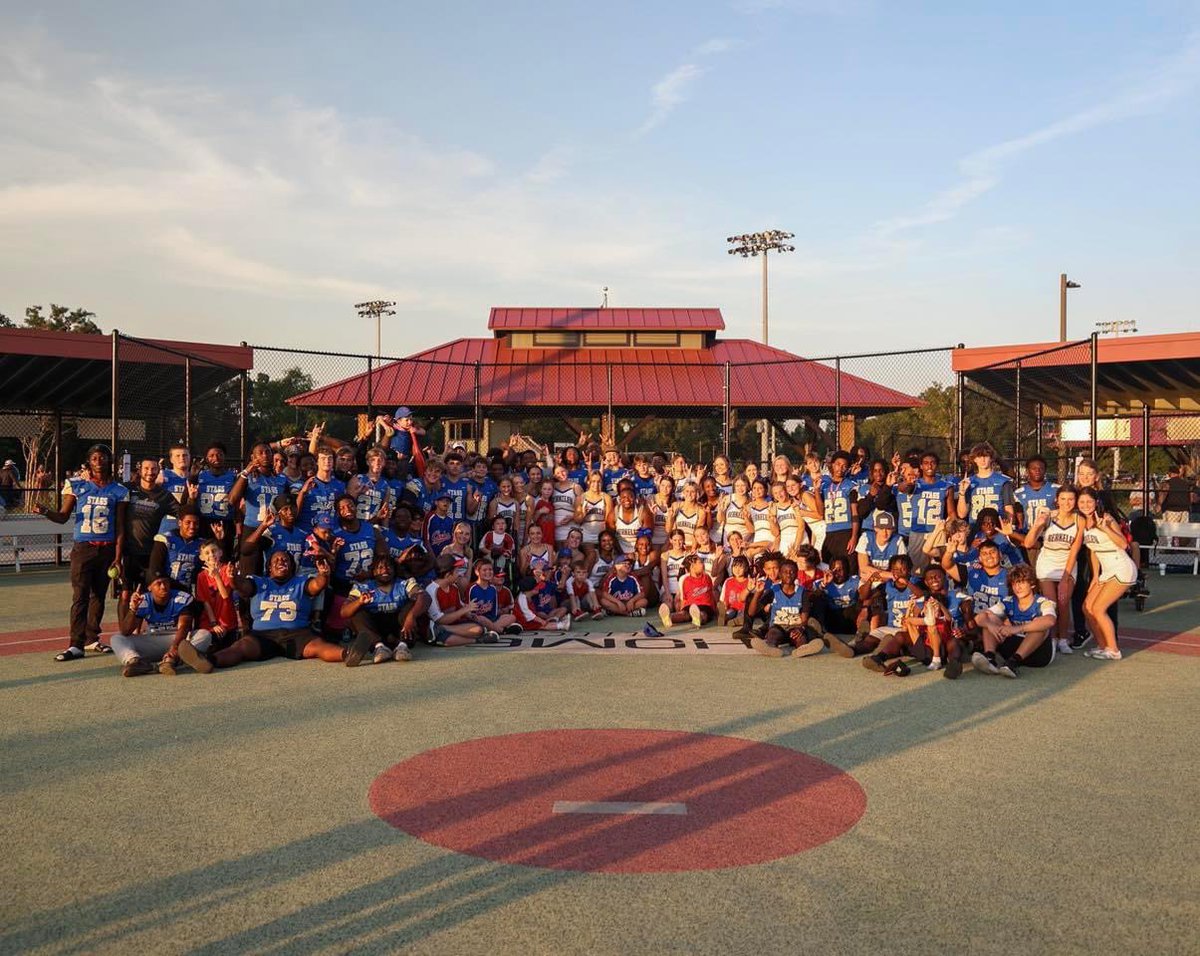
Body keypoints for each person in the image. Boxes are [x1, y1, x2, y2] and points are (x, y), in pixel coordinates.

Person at [36, 444, 129, 661]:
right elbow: (62, 517)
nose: (99, 461)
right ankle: (75, 644)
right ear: (89, 462)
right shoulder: (78, 485)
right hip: (83, 548)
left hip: (107, 549)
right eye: (94, 458)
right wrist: (45, 511)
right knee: (80, 596)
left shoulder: (119, 490)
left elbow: (120, 527)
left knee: (99, 595)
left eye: (103, 457)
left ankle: (92, 638)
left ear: (109, 460)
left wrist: (118, 557)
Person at [210, 551, 334, 667]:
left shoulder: (301, 582)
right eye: (276, 560)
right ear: (269, 567)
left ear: (291, 566)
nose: (281, 561)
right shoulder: (259, 582)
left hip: (297, 633)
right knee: (240, 647)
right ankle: (209, 661)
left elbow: (317, 585)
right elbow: (242, 586)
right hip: (262, 635)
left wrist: (323, 575)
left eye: (285, 560)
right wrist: (233, 578)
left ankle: (345, 655)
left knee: (320, 646)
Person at [1020, 486, 1084, 656]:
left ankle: (1063, 639)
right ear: (1057, 500)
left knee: (1064, 602)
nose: (1066, 503)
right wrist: (1037, 525)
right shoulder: (1048, 516)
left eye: (1070, 499)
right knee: (1051, 604)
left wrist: (1065, 577)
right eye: (1063, 499)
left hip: (1067, 563)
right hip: (1047, 563)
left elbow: (1075, 550)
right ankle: (1052, 638)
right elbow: (1028, 543)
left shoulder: (1079, 520)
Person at [111, 574, 211, 677]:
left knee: (204, 635)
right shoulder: (143, 600)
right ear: (150, 587)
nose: (163, 586)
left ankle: (171, 660)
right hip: (153, 641)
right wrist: (133, 609)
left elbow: (184, 627)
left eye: (165, 582)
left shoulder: (181, 598)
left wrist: (175, 648)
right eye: (158, 583)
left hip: (178, 640)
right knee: (117, 638)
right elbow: (125, 631)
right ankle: (136, 662)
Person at [1078, 487, 1136, 661]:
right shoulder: (1083, 521)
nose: (1086, 505)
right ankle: (1102, 646)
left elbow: (1123, 544)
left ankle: (1114, 650)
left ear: (1096, 502)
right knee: (1087, 608)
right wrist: (1095, 576)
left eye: (1089, 501)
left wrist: (1106, 529)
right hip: (1106, 570)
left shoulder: (1107, 518)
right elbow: (1093, 551)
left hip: (1121, 567)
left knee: (1098, 609)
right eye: (1082, 502)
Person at [341, 554, 429, 665]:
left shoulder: (405, 583)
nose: (385, 570)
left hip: (400, 627)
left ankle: (402, 647)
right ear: (374, 572)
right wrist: (359, 602)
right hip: (376, 629)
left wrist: (412, 616)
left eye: (389, 567)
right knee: (355, 612)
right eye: (380, 567)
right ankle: (379, 648)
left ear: (394, 570)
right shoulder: (362, 587)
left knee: (415, 603)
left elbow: (425, 597)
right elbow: (344, 612)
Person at [972, 564, 1057, 678]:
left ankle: (1014, 663)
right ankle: (990, 658)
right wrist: (990, 625)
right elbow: (979, 618)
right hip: (1013, 648)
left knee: (1039, 624)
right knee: (990, 618)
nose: (1018, 587)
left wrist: (1016, 629)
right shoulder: (1008, 601)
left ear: (1032, 584)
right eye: (1014, 583)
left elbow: (1050, 621)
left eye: (1021, 582)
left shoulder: (1043, 602)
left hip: (1040, 654)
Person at [121, 456, 177, 614]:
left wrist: (191, 498)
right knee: (125, 594)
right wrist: (86, 476)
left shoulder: (164, 495)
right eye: (146, 468)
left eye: (153, 469)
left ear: (158, 471)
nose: (150, 472)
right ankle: (124, 627)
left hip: (151, 553)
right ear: (140, 471)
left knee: (146, 595)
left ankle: (143, 627)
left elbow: (183, 514)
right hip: (129, 552)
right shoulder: (127, 489)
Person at [746, 557, 824, 658]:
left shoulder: (802, 592)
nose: (788, 574)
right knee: (773, 634)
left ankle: (802, 649)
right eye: (785, 572)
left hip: (795, 627)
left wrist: (800, 628)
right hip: (778, 627)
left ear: (796, 574)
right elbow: (751, 613)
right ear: (780, 574)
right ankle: (771, 648)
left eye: (792, 572)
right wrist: (758, 593)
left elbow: (804, 617)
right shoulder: (773, 590)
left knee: (801, 638)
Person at [860, 555, 919, 675]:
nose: (899, 572)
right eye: (896, 569)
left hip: (910, 630)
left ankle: (878, 657)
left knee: (896, 639)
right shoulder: (888, 585)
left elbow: (923, 595)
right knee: (872, 637)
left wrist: (907, 583)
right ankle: (853, 649)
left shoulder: (917, 582)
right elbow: (864, 596)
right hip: (891, 626)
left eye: (903, 569)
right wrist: (870, 580)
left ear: (909, 570)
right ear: (891, 571)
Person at [425, 554, 494, 645]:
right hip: (435, 626)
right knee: (447, 639)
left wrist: (472, 615)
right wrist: (465, 609)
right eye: (456, 571)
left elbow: (460, 606)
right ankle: (477, 640)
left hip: (451, 626)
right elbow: (439, 620)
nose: (459, 574)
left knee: (479, 629)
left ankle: (443, 629)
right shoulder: (432, 589)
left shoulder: (454, 587)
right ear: (448, 575)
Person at [956, 442, 1014, 525]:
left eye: (986, 456)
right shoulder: (969, 482)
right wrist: (962, 494)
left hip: (996, 527)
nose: (982, 460)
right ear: (974, 459)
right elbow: (962, 514)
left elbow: (1008, 509)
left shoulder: (1003, 481)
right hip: (975, 527)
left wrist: (1008, 528)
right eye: (979, 457)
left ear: (991, 458)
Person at [820, 451, 860, 562]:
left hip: (846, 531)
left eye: (844, 466)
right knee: (828, 564)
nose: (840, 468)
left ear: (847, 468)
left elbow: (855, 513)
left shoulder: (850, 486)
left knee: (849, 565)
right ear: (832, 464)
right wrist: (817, 491)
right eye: (838, 464)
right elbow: (820, 511)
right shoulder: (824, 485)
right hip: (829, 531)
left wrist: (854, 536)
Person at [659, 554, 717, 630]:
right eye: (700, 563)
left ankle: (698, 618)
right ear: (692, 567)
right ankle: (669, 617)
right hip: (690, 606)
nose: (703, 565)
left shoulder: (706, 577)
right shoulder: (685, 580)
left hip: (704, 605)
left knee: (703, 614)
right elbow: (683, 599)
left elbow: (712, 594)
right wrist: (682, 609)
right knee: (683, 614)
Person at [468, 558, 520, 634]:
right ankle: (502, 630)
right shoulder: (471, 588)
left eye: (490, 570)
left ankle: (490, 629)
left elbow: (494, 612)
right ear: (477, 572)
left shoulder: (493, 588)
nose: (488, 572)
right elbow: (467, 610)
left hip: (492, 619)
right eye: (484, 570)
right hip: (477, 619)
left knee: (512, 617)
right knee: (481, 618)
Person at [515, 562, 573, 631]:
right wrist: (541, 620)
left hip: (539, 615)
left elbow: (560, 588)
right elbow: (528, 614)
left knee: (562, 610)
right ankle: (561, 625)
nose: (548, 572)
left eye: (549, 570)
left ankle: (556, 620)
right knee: (542, 625)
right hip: (527, 619)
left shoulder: (546, 584)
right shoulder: (523, 596)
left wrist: (564, 575)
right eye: (545, 571)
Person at [574, 471, 612, 558]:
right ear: (588, 482)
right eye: (593, 481)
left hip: (601, 535)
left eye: (599, 481)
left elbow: (608, 521)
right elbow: (577, 520)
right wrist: (583, 514)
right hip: (586, 535)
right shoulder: (581, 498)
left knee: (602, 558)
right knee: (592, 555)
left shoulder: (606, 497)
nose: (596, 484)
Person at [610, 481, 651, 556]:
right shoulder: (614, 513)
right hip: (619, 551)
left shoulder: (643, 513)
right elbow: (611, 537)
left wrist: (636, 553)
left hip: (639, 551)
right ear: (619, 499)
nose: (627, 500)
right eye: (624, 497)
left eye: (630, 497)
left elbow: (647, 537)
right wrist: (623, 554)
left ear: (635, 498)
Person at [716, 555, 751, 629]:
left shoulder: (749, 582)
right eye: (735, 567)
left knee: (743, 615)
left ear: (746, 568)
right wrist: (724, 605)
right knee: (730, 612)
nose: (737, 570)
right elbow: (723, 597)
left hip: (743, 608)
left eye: (740, 567)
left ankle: (736, 621)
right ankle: (724, 617)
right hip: (731, 607)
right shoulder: (728, 581)